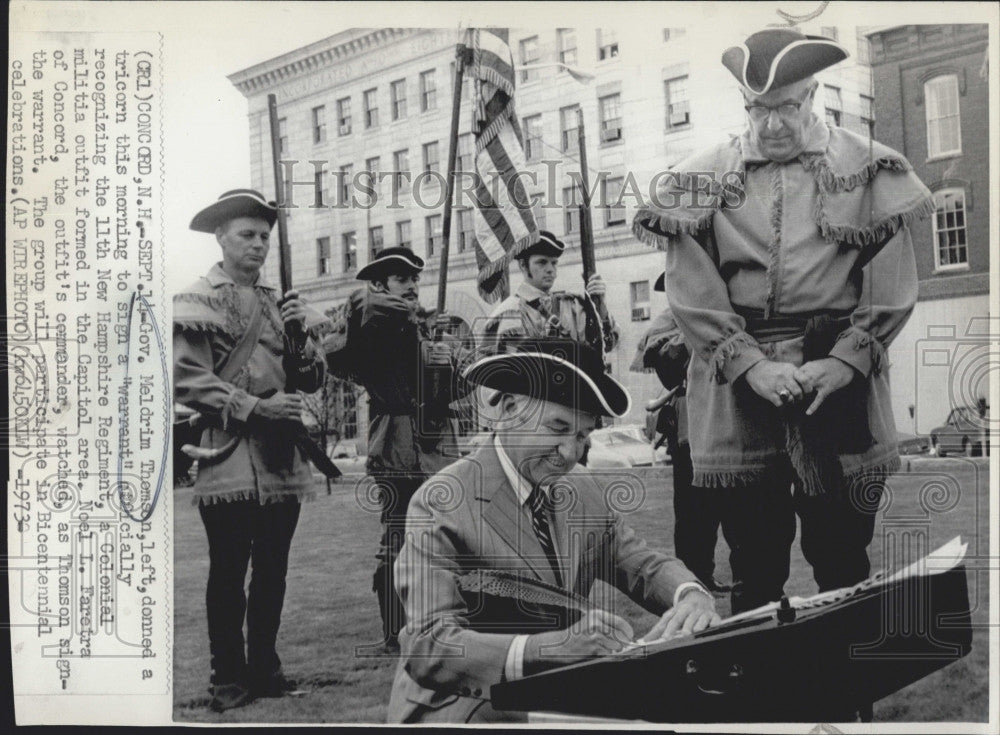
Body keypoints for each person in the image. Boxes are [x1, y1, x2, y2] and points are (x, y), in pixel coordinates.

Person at [632, 28, 930, 617]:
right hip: (740, 399)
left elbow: (890, 283)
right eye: (757, 109)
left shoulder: (871, 169)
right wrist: (750, 366)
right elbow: (694, 295)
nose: (771, 125)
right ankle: (764, 701)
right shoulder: (701, 178)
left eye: (786, 107)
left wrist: (844, 362)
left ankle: (848, 701)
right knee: (755, 568)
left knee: (844, 561)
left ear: (813, 95)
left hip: (838, 391)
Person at [387, 340, 720, 723]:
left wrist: (691, 595)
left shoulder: (582, 488)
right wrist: (547, 648)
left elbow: (642, 563)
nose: (568, 452)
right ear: (510, 410)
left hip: (556, 694)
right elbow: (430, 645)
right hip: (463, 707)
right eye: (557, 427)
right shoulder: (442, 501)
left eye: (582, 436)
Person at [173, 189, 327, 712]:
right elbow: (187, 379)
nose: (259, 245)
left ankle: (265, 669)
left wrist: (303, 336)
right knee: (229, 570)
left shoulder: (276, 302)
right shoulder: (198, 298)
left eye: (265, 236)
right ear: (221, 237)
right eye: (247, 235)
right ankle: (227, 680)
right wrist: (255, 408)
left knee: (274, 569)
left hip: (281, 455)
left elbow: (307, 379)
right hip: (229, 451)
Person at [321, 247, 467, 652]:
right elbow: (363, 309)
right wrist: (418, 318)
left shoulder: (424, 328)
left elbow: (456, 392)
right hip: (397, 446)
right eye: (403, 279)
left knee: (442, 539)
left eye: (416, 279)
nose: (414, 287)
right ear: (381, 284)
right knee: (398, 538)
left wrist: (447, 362)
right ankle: (394, 631)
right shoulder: (374, 321)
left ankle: (437, 620)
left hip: (438, 446)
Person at [631, 273, 728, 593]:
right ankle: (691, 576)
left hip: (719, 421)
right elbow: (667, 365)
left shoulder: (712, 316)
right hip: (687, 426)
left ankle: (707, 572)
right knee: (691, 508)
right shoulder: (668, 323)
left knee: (719, 505)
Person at [481, 230, 619, 357]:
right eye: (542, 262)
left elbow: (606, 345)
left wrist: (599, 305)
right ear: (523, 265)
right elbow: (514, 367)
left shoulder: (571, 306)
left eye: (554, 263)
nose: (550, 269)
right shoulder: (510, 311)